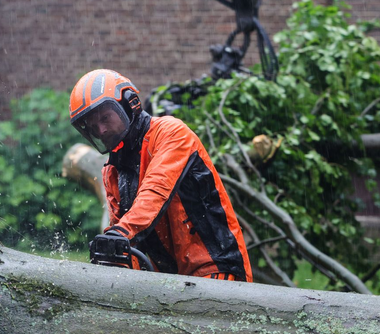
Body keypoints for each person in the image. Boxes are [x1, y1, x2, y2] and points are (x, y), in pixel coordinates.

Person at [69, 69, 252, 282]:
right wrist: (112, 260)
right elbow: (128, 244)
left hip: (219, 268)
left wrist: (119, 234)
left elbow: (155, 192)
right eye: (92, 126)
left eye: (105, 118)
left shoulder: (170, 132)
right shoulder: (112, 171)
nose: (101, 130)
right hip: (171, 282)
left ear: (129, 103)